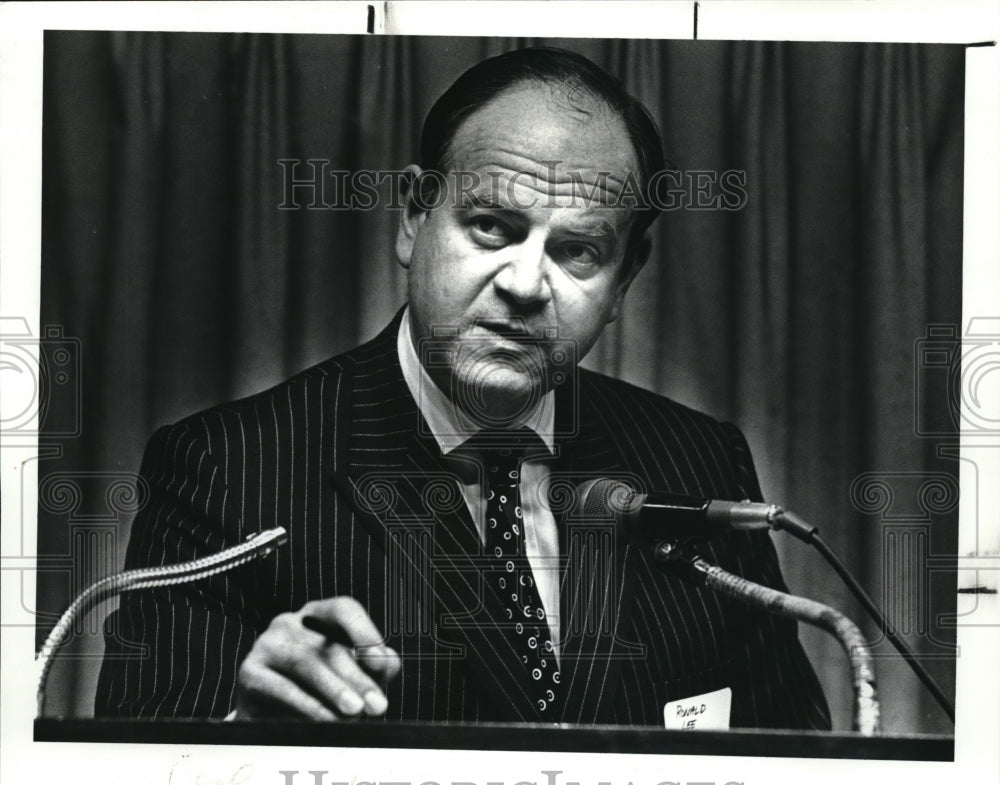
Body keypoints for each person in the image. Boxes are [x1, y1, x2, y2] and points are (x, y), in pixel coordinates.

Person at [96, 46, 830, 729]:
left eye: (578, 252)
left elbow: (799, 769)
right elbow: (136, 783)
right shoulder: (225, 469)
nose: (523, 284)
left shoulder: (700, 463)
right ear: (416, 217)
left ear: (623, 279)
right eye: (491, 227)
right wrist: (242, 738)